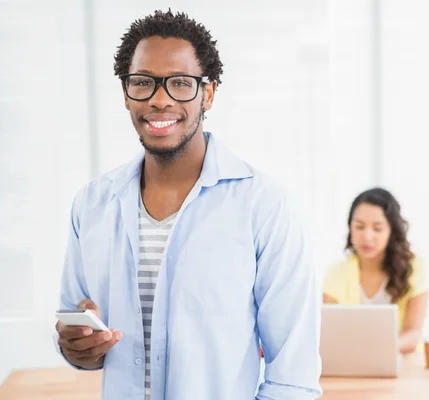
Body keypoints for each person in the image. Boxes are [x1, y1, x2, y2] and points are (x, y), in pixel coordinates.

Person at [53, 9, 322, 400]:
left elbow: (293, 376)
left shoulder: (264, 206)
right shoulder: (92, 204)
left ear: (208, 93)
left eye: (180, 83)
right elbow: (77, 337)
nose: (160, 100)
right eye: (143, 83)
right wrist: (78, 349)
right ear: (126, 94)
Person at [323, 188, 429, 354]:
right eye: (359, 226)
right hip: (351, 363)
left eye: (377, 228)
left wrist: (377, 350)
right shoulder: (336, 273)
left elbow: (413, 334)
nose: (367, 236)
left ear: (391, 231)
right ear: (350, 228)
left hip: (403, 364)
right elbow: (330, 333)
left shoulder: (414, 267)